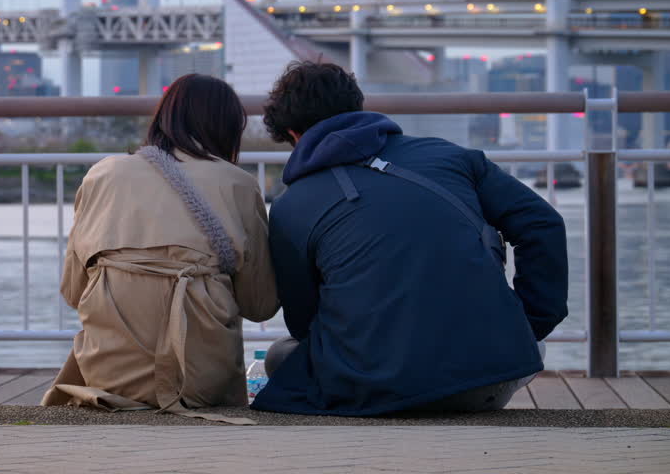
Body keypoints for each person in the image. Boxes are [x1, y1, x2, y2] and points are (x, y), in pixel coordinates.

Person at [251, 61, 568, 416]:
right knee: (523, 341)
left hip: (378, 389)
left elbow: (303, 323)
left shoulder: (290, 207)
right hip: (492, 375)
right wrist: (529, 322)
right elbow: (542, 223)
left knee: (281, 355)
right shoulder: (450, 156)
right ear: (357, 107)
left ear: (293, 133)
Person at [42, 74, 278, 418]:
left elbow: (73, 292)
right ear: (229, 128)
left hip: (107, 379)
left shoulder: (102, 174)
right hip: (202, 383)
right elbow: (260, 305)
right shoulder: (237, 183)